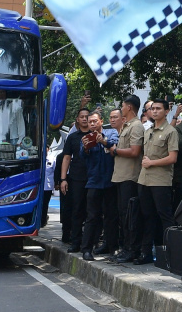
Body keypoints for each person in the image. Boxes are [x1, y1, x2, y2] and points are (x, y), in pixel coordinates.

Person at [136, 99, 178, 265]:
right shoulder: (148, 130)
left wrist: (152, 163)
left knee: (165, 217)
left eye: (158, 109)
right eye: (152, 109)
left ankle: (169, 254)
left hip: (161, 180)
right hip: (144, 179)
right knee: (147, 217)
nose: (154, 111)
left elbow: (173, 158)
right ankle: (145, 253)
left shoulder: (170, 131)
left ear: (167, 111)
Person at [109, 97, 146, 263]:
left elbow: (134, 151)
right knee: (123, 214)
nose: (121, 108)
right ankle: (125, 247)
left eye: (123, 106)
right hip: (121, 176)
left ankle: (132, 249)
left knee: (130, 215)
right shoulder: (128, 126)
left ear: (129, 107)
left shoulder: (136, 126)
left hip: (130, 177)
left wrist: (116, 151)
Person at [80, 112, 118, 261]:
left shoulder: (111, 132)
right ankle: (87, 249)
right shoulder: (85, 138)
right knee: (92, 216)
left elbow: (114, 145)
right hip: (94, 182)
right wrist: (86, 147)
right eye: (90, 122)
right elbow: (82, 155)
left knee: (111, 216)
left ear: (101, 121)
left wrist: (103, 141)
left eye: (95, 121)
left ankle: (112, 247)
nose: (92, 124)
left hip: (110, 181)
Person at [60, 108, 90, 252]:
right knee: (76, 210)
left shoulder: (97, 136)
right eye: (82, 117)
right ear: (77, 119)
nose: (84, 119)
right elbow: (66, 158)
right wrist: (63, 179)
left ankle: (90, 243)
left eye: (87, 117)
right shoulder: (72, 137)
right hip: (76, 178)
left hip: (93, 177)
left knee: (92, 211)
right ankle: (75, 242)